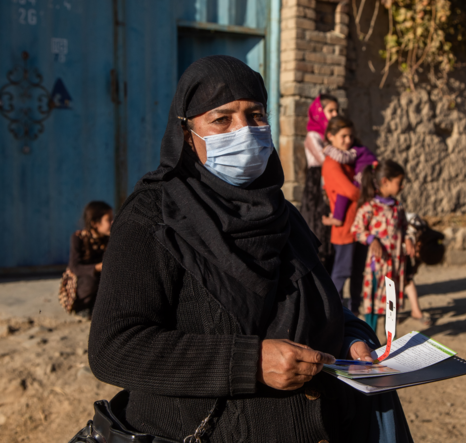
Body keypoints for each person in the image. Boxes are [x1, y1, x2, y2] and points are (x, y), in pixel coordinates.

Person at [83, 56, 413, 443]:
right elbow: (113, 347)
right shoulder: (154, 218)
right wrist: (249, 362)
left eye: (256, 115)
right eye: (222, 119)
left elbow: (320, 302)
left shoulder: (283, 216)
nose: (244, 131)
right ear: (188, 135)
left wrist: (350, 338)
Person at [350, 160, 415, 334]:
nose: (402, 186)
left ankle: (389, 345)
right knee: (373, 304)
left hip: (394, 267)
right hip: (377, 267)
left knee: (390, 305)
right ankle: (370, 340)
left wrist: (408, 239)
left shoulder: (398, 207)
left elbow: (404, 228)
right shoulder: (369, 207)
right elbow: (356, 230)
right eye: (399, 182)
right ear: (385, 181)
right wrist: (372, 239)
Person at [321, 116, 362, 306]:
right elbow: (352, 191)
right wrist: (368, 193)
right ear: (331, 136)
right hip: (345, 227)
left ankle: (354, 309)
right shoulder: (332, 164)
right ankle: (333, 308)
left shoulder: (347, 160)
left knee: (356, 271)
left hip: (357, 225)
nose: (348, 140)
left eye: (351, 136)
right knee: (342, 271)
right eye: (343, 136)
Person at [300, 94, 340, 271]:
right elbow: (325, 160)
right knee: (316, 225)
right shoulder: (313, 136)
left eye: (337, 110)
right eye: (330, 110)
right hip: (317, 185)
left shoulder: (333, 135)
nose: (335, 114)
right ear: (319, 112)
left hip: (332, 181)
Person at [66, 201, 113, 318]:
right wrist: (99, 267)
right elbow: (75, 267)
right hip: (82, 281)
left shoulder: (110, 239)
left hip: (102, 278)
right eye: (109, 220)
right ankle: (82, 307)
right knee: (91, 280)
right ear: (95, 223)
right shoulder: (78, 238)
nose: (113, 222)